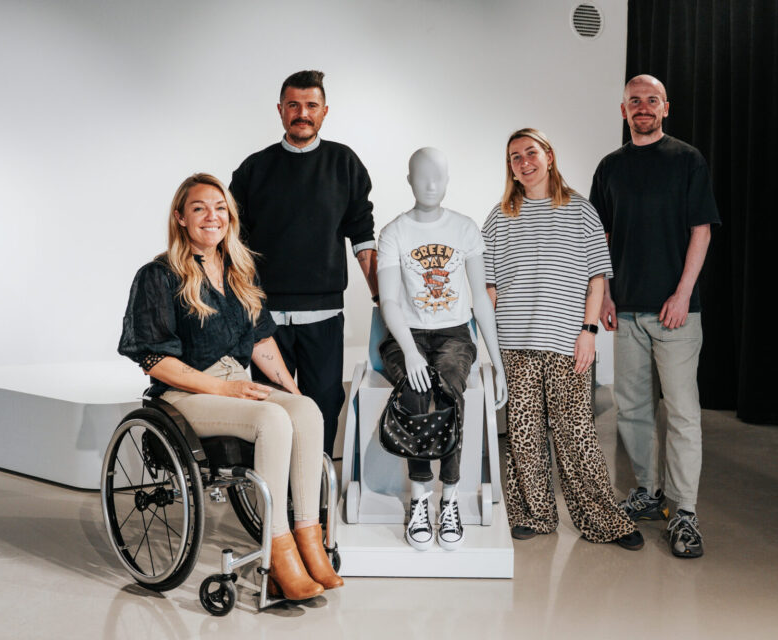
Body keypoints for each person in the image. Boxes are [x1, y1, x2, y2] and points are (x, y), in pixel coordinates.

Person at [117, 173, 343, 600]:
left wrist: (291, 391)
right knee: (272, 420)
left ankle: (309, 539)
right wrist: (224, 391)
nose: (212, 216)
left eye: (220, 208)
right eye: (200, 208)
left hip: (236, 386)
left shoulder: (240, 269)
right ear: (181, 217)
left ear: (230, 217)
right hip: (186, 394)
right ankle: (277, 553)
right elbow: (154, 359)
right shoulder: (159, 275)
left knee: (307, 410)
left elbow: (260, 342)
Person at [484, 128, 641, 550]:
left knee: (576, 435)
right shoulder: (500, 216)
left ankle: (603, 521)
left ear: (549, 156)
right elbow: (490, 286)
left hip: (566, 340)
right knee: (523, 433)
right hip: (514, 342)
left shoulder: (581, 211)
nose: (524, 162)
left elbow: (596, 281)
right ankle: (533, 515)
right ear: (510, 167)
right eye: (515, 157)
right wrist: (488, 343)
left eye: (530, 152)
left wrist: (588, 333)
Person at [589, 74, 721, 559]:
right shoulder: (610, 168)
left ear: (665, 108)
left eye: (651, 101)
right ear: (623, 110)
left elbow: (701, 231)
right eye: (634, 101)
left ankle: (684, 512)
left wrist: (683, 294)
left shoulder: (687, 160)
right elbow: (597, 239)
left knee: (683, 413)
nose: (642, 107)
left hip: (676, 314)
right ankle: (648, 492)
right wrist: (603, 295)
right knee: (634, 409)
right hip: (625, 312)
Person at [230, 70, 378, 457]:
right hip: (266, 316)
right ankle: (276, 494)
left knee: (325, 405)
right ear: (280, 110)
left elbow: (362, 236)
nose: (302, 113)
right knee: (271, 410)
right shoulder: (253, 169)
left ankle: (316, 493)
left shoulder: (344, 163)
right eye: (293, 105)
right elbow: (232, 244)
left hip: (324, 316)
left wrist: (380, 297)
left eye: (311, 105)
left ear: (325, 111)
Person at [377, 147, 507, 552]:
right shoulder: (394, 232)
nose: (431, 183)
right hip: (405, 335)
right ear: (409, 180)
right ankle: (420, 498)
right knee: (416, 392)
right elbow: (390, 301)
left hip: (454, 333)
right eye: (423, 175)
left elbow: (481, 300)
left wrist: (497, 363)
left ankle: (448, 500)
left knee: (449, 388)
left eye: (439, 176)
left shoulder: (465, 229)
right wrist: (411, 353)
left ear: (449, 181)